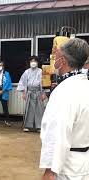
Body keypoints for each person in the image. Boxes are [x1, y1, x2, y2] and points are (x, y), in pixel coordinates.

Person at [40, 38, 89, 180]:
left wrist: (50, 171)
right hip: (84, 162)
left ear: (62, 61)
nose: (53, 60)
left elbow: (57, 133)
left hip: (66, 168)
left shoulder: (64, 91)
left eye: (55, 56)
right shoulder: (85, 85)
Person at [17, 56, 46, 132]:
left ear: (37, 62)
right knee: (29, 109)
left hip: (38, 92)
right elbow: (22, 82)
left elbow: (44, 83)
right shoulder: (26, 72)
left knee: (39, 109)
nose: (33, 63)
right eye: (31, 61)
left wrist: (44, 93)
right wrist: (24, 92)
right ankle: (27, 126)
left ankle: (39, 126)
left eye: (35, 61)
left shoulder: (41, 71)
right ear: (29, 63)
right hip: (29, 92)